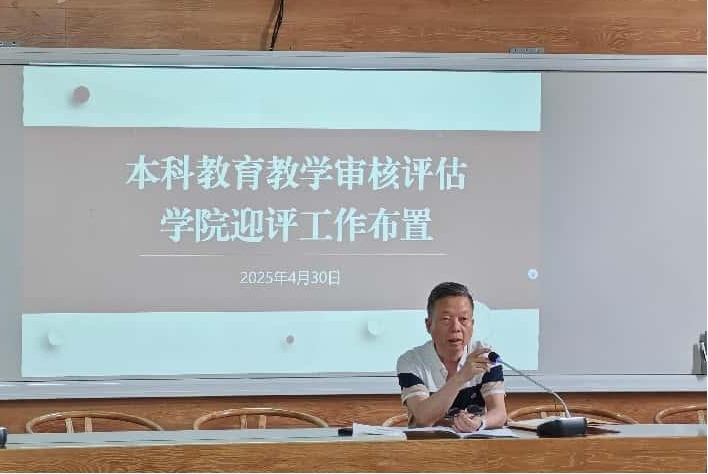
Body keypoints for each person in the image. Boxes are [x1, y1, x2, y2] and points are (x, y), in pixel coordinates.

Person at [396, 281, 507, 432]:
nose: (455, 328)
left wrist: (480, 422)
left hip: (475, 443)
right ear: (428, 325)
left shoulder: (485, 356)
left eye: (463, 319)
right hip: (427, 444)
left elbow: (499, 413)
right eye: (446, 319)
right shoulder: (411, 361)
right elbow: (423, 418)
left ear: (472, 324)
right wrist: (461, 377)